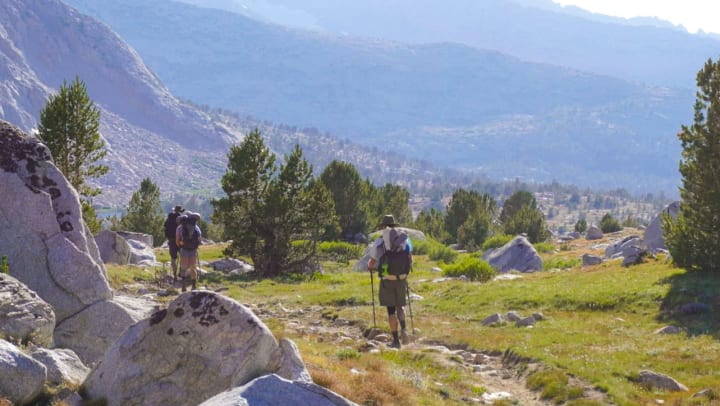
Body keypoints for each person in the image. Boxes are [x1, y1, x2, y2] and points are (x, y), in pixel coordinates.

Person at [367, 214, 412, 348]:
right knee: (401, 306)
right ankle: (404, 329)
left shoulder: (381, 241)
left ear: (383, 226)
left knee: (391, 310)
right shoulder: (405, 239)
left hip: (388, 279)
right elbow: (410, 258)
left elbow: (372, 261)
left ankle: (396, 341)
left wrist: (370, 268)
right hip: (402, 277)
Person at [176, 211, 202, 291]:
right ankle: (194, 285)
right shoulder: (196, 227)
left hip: (184, 249)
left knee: (183, 268)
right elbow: (199, 239)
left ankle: (183, 285)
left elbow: (177, 240)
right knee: (193, 268)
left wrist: (180, 246)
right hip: (193, 250)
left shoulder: (180, 228)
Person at [164, 205, 184, 280]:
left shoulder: (169, 217)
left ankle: (174, 275)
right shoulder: (181, 219)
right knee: (183, 256)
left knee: (173, 258)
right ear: (180, 211)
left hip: (171, 240)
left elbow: (165, 226)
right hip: (180, 241)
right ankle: (181, 273)